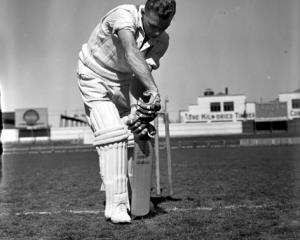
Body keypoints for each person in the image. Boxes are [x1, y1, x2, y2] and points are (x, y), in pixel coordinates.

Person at [76, 0, 176, 223]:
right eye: (153, 26)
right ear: (144, 12)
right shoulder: (124, 15)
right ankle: (117, 206)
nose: (157, 32)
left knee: (133, 134)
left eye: (164, 27)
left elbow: (139, 76)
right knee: (113, 136)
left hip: (123, 84)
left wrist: (137, 108)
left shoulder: (162, 41)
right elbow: (131, 52)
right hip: (93, 75)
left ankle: (135, 197)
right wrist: (154, 91)